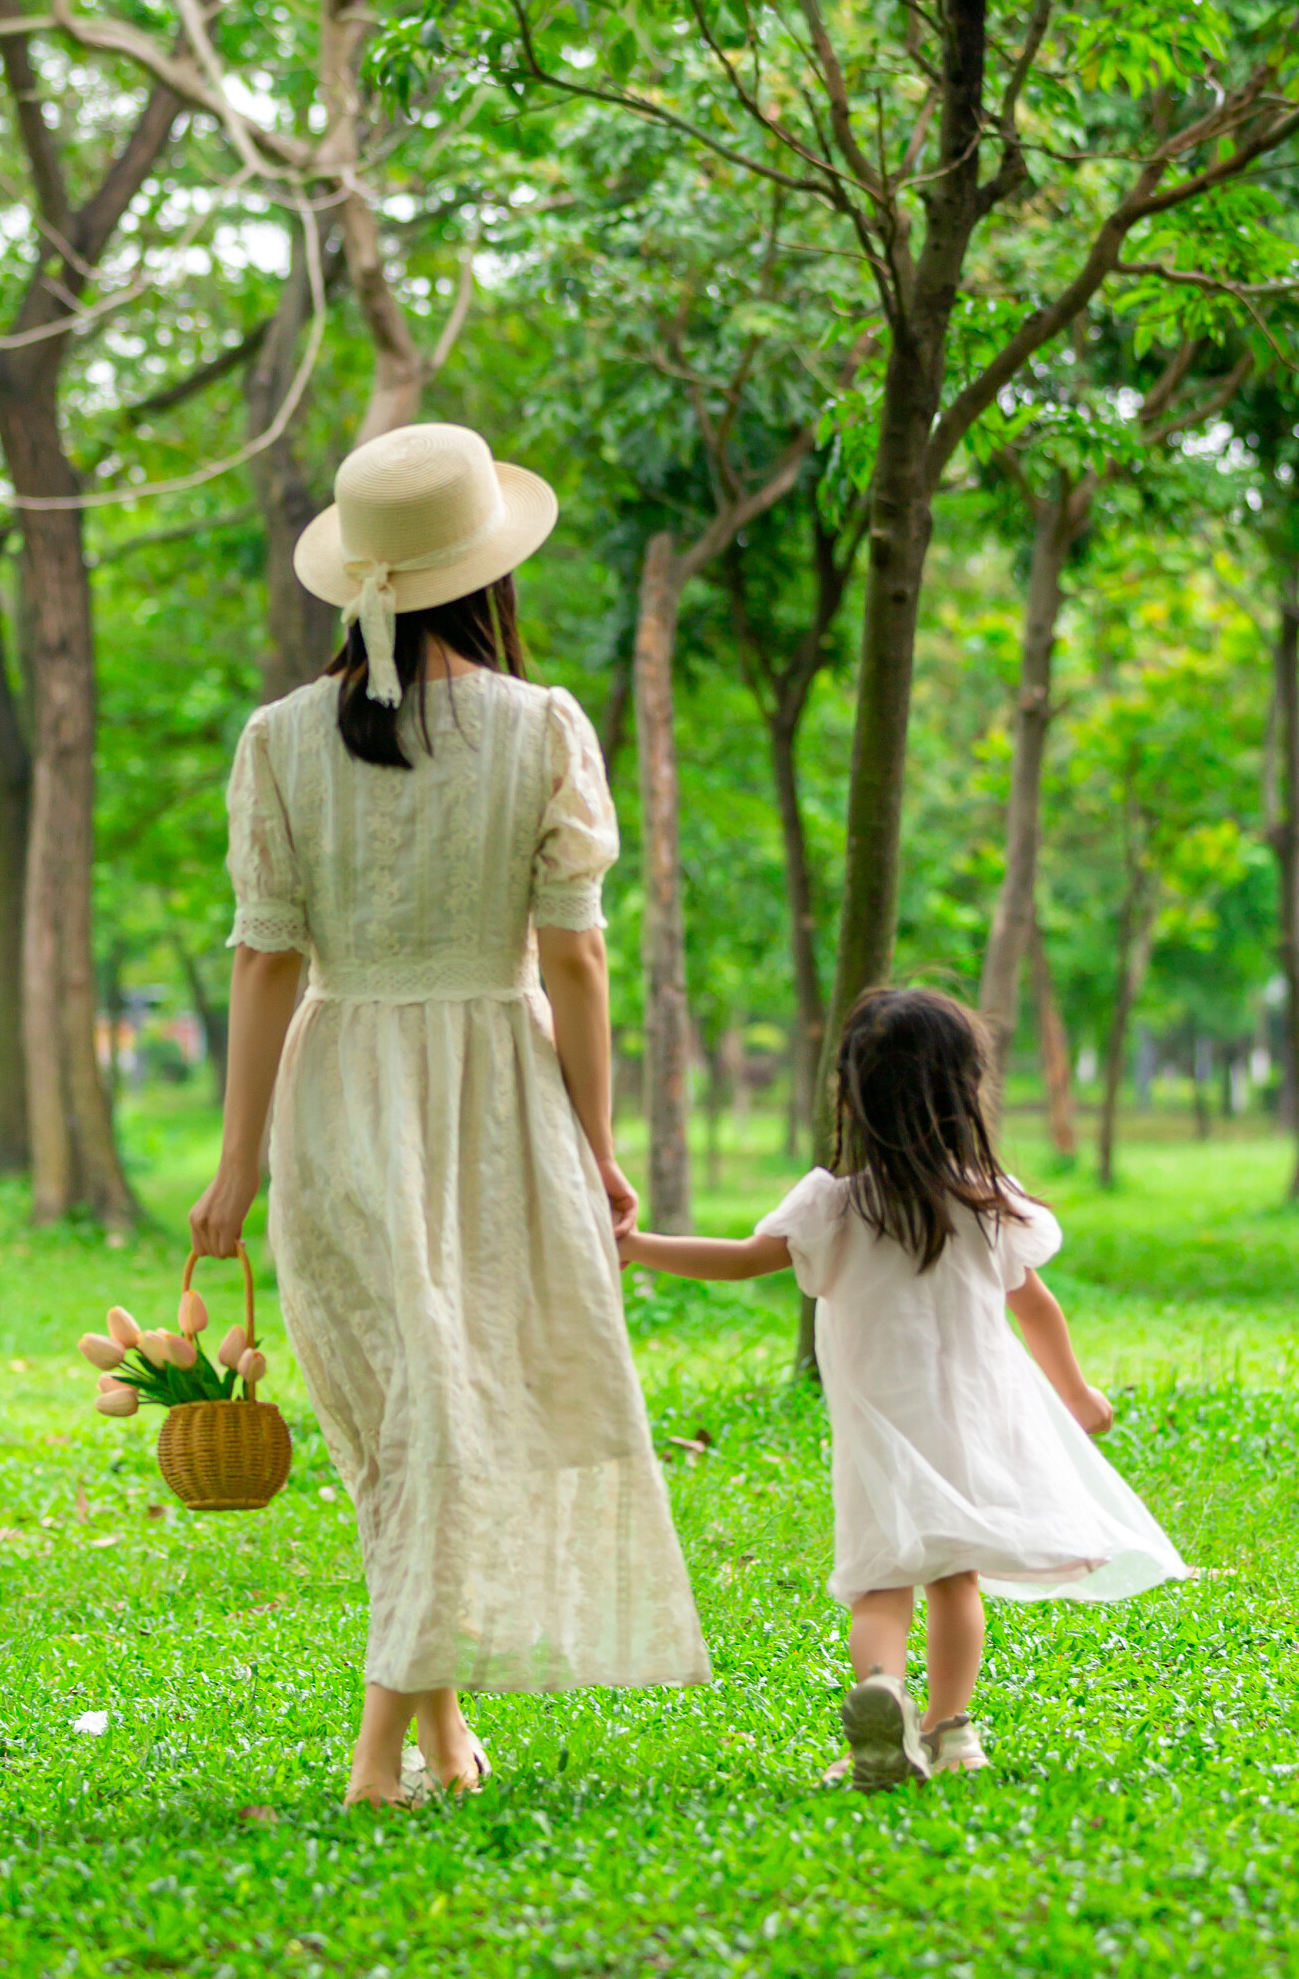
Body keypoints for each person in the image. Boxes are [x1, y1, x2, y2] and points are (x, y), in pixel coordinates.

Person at [190, 423, 708, 1807]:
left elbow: (263, 959)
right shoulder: (543, 728)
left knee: (419, 1412)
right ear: (485, 571)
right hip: (496, 1094)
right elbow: (579, 959)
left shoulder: (279, 741)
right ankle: (391, 1749)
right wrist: (599, 1149)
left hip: (341, 1093)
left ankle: (430, 1739)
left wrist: (235, 1168)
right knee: (439, 1408)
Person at [621, 985, 1184, 1790]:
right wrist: (1078, 1392)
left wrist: (639, 1245)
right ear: (965, 1094)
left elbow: (742, 1258)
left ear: (850, 1093)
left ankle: (878, 1700)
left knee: (881, 1579)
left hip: (879, 1430)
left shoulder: (834, 1206)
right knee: (955, 1579)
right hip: (969, 1426)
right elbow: (1038, 1306)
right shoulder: (987, 1207)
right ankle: (951, 1730)